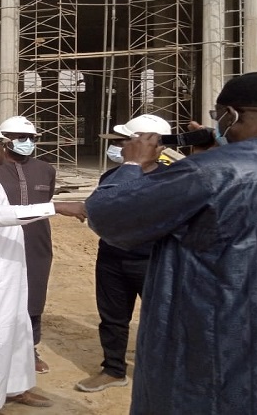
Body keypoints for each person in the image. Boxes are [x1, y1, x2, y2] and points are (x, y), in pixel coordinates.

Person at [86, 71, 257, 414]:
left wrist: (133, 165)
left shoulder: (214, 170)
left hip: (230, 344)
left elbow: (111, 217)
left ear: (230, 114)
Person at [0, 120, 87, 415]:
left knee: (15, 329)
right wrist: (55, 207)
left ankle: (17, 387)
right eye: (4, 144)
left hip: (4, 269)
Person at [78, 114, 173, 393]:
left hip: (152, 260)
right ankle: (113, 369)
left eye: (123, 141)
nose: (119, 147)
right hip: (112, 257)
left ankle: (161, 372)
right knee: (112, 317)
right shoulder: (112, 176)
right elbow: (99, 212)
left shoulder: (171, 178)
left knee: (161, 319)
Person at [0, 115, 56, 374]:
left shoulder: (45, 170)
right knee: (0, 294)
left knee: (34, 295)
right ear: (5, 141)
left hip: (36, 243)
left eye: (31, 138)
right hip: (0, 242)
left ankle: (30, 347)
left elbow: (46, 200)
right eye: (21, 138)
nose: (28, 142)